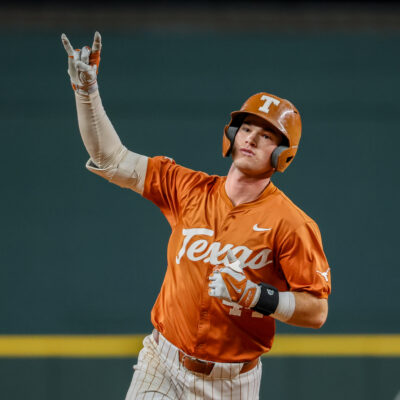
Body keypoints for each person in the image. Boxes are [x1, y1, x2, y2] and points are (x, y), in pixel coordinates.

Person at [61, 32, 331, 400]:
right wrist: (86, 92)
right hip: (163, 362)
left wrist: (257, 295)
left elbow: (316, 311)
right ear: (232, 134)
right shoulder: (187, 188)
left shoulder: (292, 223)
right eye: (247, 128)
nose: (251, 138)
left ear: (283, 154)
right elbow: (112, 159)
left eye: (266, 135)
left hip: (233, 381)